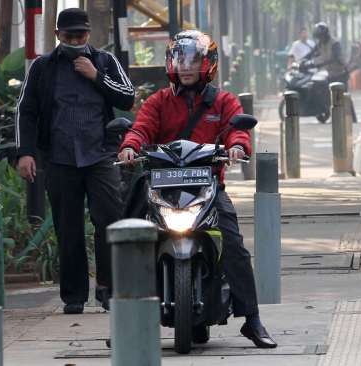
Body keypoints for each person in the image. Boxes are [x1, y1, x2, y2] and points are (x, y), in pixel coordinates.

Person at [118, 30, 278, 349]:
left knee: (233, 244)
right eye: (181, 60)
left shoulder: (223, 101)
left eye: (194, 61)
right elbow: (140, 128)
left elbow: (237, 130)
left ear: (209, 64)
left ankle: (252, 319)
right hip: (161, 187)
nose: (187, 67)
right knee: (126, 238)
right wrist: (129, 147)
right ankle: (122, 315)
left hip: (207, 187)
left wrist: (236, 147)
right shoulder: (158, 101)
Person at [15, 8, 135, 314]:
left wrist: (96, 77)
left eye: (80, 35)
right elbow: (26, 112)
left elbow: (127, 97)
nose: (75, 40)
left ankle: (108, 288)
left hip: (100, 156)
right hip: (59, 158)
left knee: (109, 221)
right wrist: (25, 153)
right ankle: (73, 296)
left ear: (88, 34)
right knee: (67, 229)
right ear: (57, 36)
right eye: (69, 36)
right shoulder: (43, 67)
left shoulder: (105, 61)